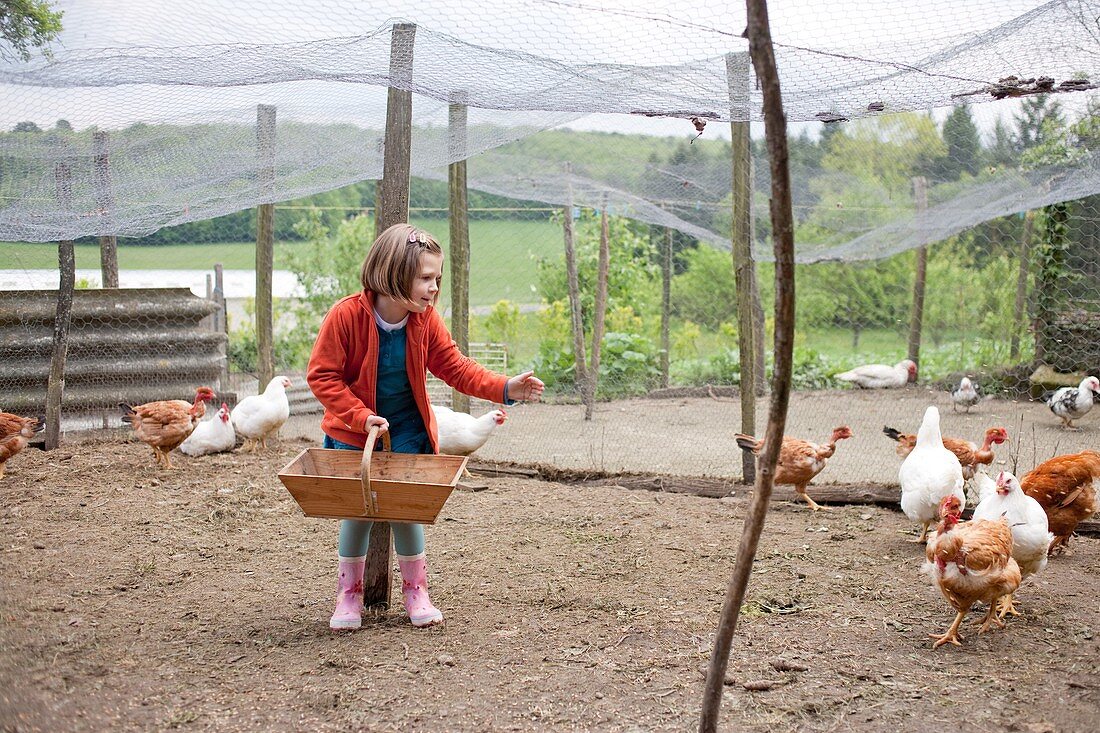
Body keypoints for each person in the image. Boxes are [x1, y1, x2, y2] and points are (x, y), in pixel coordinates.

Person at [307, 223, 544, 631]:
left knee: (407, 510)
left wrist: (505, 388)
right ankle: (349, 596)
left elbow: (456, 368)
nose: (435, 288)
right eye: (426, 278)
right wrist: (361, 416)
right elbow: (322, 376)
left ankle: (417, 591)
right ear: (393, 273)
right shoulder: (345, 316)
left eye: (437, 278)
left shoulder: (426, 321)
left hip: (408, 433)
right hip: (354, 434)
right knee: (357, 512)